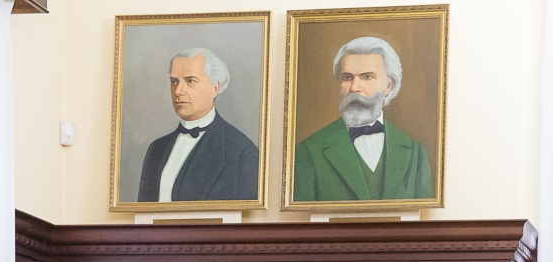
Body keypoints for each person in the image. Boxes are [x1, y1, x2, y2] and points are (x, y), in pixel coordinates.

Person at [290, 35, 434, 203]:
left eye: (367, 77)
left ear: (389, 85)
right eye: (347, 77)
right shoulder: (308, 152)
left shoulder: (416, 154)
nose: (355, 88)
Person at [136, 47, 260, 204]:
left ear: (215, 88)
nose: (178, 91)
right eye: (174, 82)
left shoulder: (243, 154)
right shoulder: (156, 149)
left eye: (190, 81)